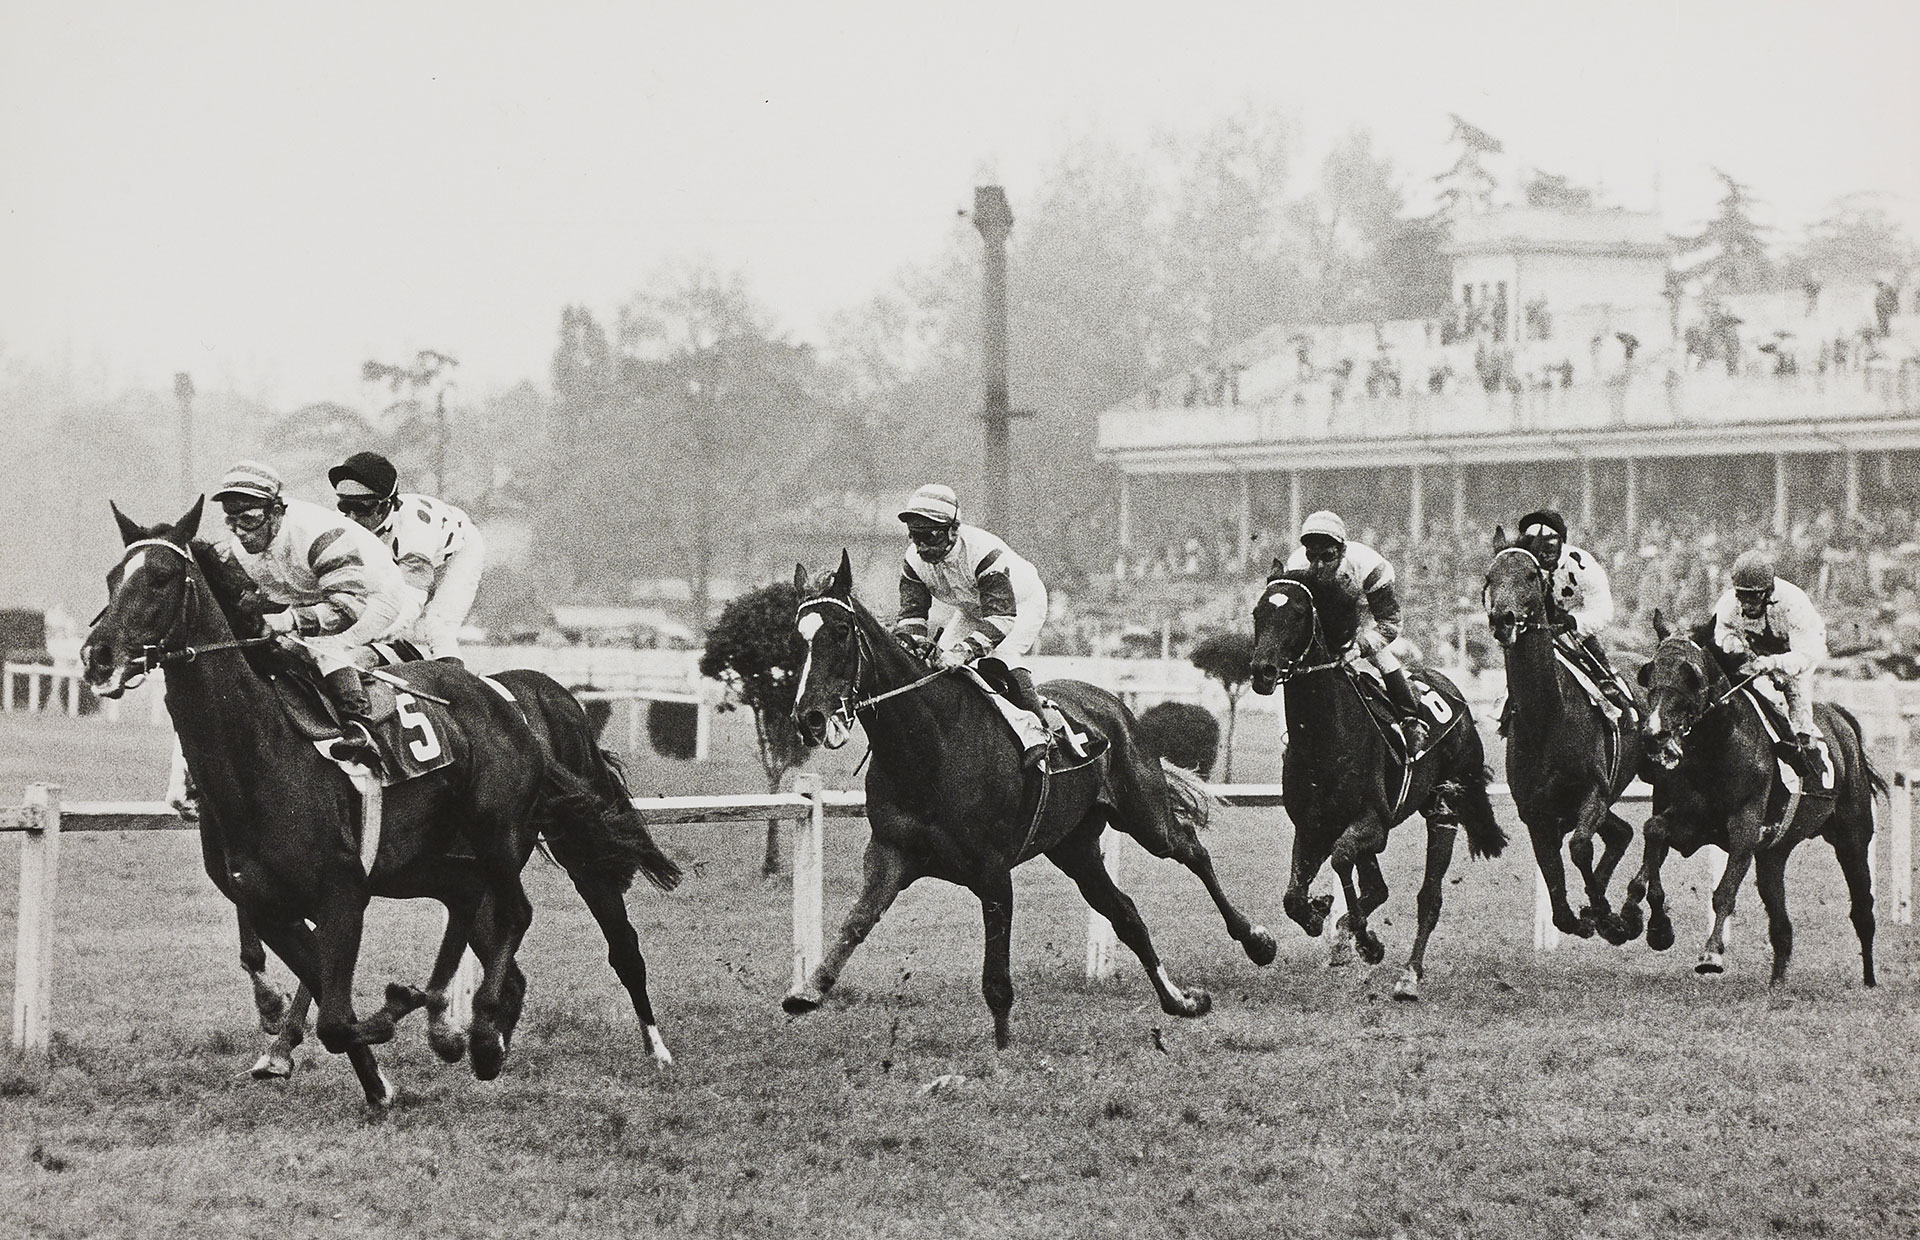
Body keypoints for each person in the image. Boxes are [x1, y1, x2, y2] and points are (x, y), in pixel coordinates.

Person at [209, 460, 419, 769]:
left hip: (372, 597)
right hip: (313, 592)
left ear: (276, 510)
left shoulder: (318, 535)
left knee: (322, 645)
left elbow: (347, 608)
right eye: (232, 520)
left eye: (250, 518)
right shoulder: (239, 550)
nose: (240, 531)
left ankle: (359, 726)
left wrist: (287, 621)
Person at [888, 483, 1056, 769]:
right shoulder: (913, 560)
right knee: (935, 667)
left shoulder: (982, 551)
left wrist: (964, 651)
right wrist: (916, 644)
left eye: (929, 536)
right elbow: (912, 616)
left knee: (998, 659)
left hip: (1020, 605)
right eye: (915, 536)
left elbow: (1002, 618)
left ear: (953, 530)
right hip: (972, 610)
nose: (922, 546)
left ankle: (1038, 732)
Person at [1283, 510, 1429, 753]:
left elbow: (1390, 623)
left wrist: (1358, 647)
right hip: (1325, 614)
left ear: (1342, 550)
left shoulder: (1371, 567)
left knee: (1379, 657)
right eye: (1312, 555)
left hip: (1364, 610)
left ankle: (1410, 719)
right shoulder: (1296, 565)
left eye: (1327, 556)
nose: (1318, 566)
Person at [328, 451, 485, 663]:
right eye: (345, 506)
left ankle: (455, 684)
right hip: (399, 557)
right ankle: (400, 656)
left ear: (386, 504)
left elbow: (410, 599)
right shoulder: (344, 523)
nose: (352, 517)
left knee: (439, 628)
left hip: (458, 549)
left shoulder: (415, 531)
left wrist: (359, 637)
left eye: (362, 508)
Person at [1513, 508, 1639, 722]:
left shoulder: (1582, 565)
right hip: (1541, 632)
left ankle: (1622, 707)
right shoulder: (1526, 567)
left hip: (1577, 635)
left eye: (1548, 546)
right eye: (1534, 546)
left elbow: (1604, 611)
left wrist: (1573, 622)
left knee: (1601, 673)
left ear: (1560, 542)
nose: (1541, 554)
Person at [1711, 549, 1827, 775]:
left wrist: (1774, 663)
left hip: (1797, 652)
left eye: (1753, 597)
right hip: (1754, 652)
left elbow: (1806, 654)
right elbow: (1718, 636)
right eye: (1742, 595)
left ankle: (1807, 755)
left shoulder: (1794, 602)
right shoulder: (1727, 604)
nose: (1747, 604)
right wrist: (1734, 646)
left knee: (1794, 695)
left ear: (1768, 591)